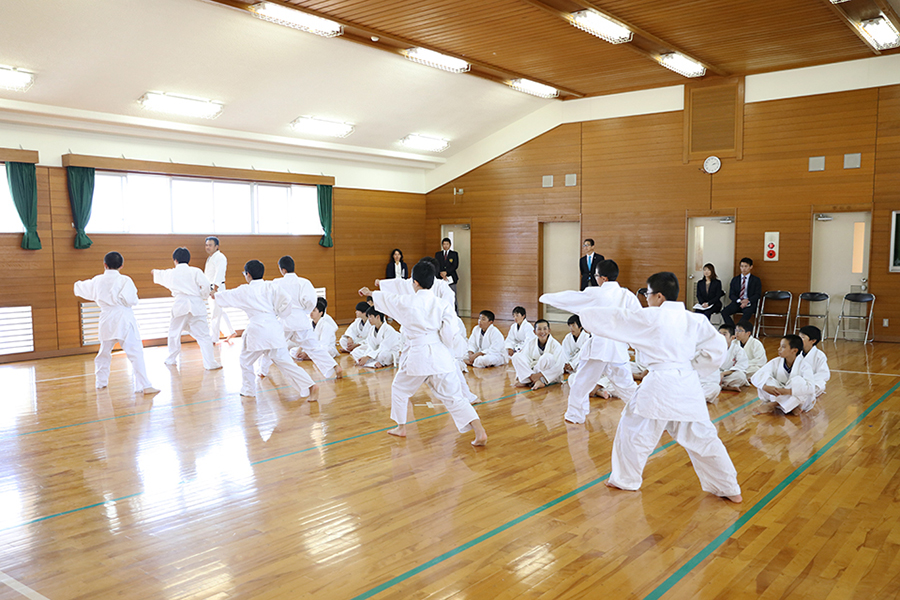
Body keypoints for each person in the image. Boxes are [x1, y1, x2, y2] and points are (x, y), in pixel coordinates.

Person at [551, 271, 742, 503]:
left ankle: (626, 479)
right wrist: (693, 368)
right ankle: (728, 486)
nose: (646, 299)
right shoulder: (695, 319)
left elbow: (616, 319)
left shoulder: (652, 317)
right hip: (687, 383)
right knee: (703, 437)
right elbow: (717, 350)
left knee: (632, 430)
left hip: (660, 383)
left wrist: (583, 310)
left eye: (648, 294)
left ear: (659, 296)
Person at [359, 262, 487, 446]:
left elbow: (390, 300)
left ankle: (401, 427)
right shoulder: (442, 304)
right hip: (439, 354)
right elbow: (450, 332)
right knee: (454, 396)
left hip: (418, 356)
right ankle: (479, 431)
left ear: (415, 282)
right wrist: (447, 346)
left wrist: (371, 294)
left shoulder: (407, 302)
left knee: (400, 389)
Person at [540, 260, 641, 425]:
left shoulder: (596, 293)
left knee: (581, 382)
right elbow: (639, 320)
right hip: (617, 348)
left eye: (596, 276)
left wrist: (548, 298)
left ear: (602, 278)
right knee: (626, 385)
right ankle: (646, 414)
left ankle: (575, 414)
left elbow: (571, 298)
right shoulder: (627, 295)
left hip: (599, 348)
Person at [212, 259, 318, 401]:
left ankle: (249, 390)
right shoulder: (272, 286)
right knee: (286, 363)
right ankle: (310, 385)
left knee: (245, 361)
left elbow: (224, 297)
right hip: (274, 328)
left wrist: (213, 293)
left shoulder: (245, 290)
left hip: (256, 330)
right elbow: (286, 301)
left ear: (248, 274)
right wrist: (281, 314)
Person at [74, 252, 159, 395]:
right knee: (135, 352)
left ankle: (101, 382)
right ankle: (145, 385)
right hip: (123, 318)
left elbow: (79, 287)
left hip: (106, 319)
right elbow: (132, 300)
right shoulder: (125, 280)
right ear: (121, 266)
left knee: (104, 352)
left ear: (105, 265)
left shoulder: (97, 280)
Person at [259, 256, 341, 379]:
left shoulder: (276, 283)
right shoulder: (304, 282)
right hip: (300, 320)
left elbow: (269, 300)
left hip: (284, 321)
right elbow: (310, 301)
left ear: (282, 270)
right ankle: (335, 367)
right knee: (314, 347)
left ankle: (262, 370)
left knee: (273, 345)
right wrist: (304, 311)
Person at [151, 247, 221, 371]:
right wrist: (202, 296)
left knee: (174, 333)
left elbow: (157, 273)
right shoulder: (195, 271)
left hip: (180, 305)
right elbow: (205, 286)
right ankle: (210, 363)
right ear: (188, 259)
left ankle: (171, 359)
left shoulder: (171, 272)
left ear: (175, 260)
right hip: (197, 305)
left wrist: (153, 272)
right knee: (204, 336)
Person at [751, 334, 816, 415]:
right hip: (779, 393)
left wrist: (787, 391)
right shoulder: (776, 361)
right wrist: (765, 387)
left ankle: (774, 405)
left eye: (783, 347)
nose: (779, 349)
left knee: (799, 381)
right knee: (765, 379)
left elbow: (811, 388)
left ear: (794, 351)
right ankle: (791, 406)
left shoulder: (805, 366)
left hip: (797, 399)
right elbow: (755, 377)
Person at [700, 324, 748, 402]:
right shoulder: (710, 347)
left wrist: (723, 374)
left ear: (732, 337)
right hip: (712, 375)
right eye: (719, 334)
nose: (720, 336)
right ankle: (724, 386)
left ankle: (721, 385)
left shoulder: (738, 349)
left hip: (726, 375)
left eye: (724, 334)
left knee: (741, 376)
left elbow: (741, 366)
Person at [512, 320, 565, 390]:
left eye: (545, 329)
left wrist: (539, 375)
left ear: (549, 330)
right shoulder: (531, 343)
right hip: (533, 371)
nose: (542, 332)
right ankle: (535, 380)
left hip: (548, 375)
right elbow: (525, 358)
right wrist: (531, 375)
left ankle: (532, 380)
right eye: (539, 329)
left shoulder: (556, 345)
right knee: (516, 356)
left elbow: (559, 367)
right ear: (534, 332)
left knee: (547, 357)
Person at [204, 236, 236, 343]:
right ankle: (230, 332)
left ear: (216, 246)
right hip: (211, 288)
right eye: (206, 245)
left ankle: (213, 338)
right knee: (219, 311)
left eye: (210, 245)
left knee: (215, 314)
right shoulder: (211, 257)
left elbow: (220, 273)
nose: (208, 247)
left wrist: (215, 289)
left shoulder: (220, 257)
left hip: (217, 288)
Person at [722, 257, 762, 327]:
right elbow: (731, 294)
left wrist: (747, 301)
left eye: (746, 266)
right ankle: (733, 329)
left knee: (747, 314)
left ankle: (739, 329)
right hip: (737, 302)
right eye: (742, 266)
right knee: (724, 312)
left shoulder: (756, 280)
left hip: (749, 303)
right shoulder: (735, 279)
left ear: (751, 267)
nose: (743, 268)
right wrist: (739, 301)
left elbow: (757, 294)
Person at [798, 325, 830, 398]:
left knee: (820, 385)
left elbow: (824, 374)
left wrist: (807, 381)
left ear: (813, 341)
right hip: (796, 382)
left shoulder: (819, 355)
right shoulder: (795, 352)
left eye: (802, 337)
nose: (799, 340)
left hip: (810, 383)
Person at [434, 238, 459, 313]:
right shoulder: (438, 254)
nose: (445, 246)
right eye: (444, 244)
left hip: (451, 278)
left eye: (447, 244)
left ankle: (455, 313)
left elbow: (455, 265)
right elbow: (436, 265)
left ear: (450, 245)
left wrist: (446, 272)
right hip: (440, 278)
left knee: (453, 296)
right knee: (440, 296)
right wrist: (441, 273)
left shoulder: (454, 254)